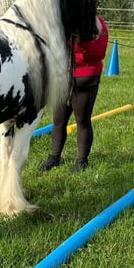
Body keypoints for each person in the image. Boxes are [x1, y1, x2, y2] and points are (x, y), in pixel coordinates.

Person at [41, 15, 109, 173]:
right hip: (62, 77)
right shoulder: (65, 21)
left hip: (86, 78)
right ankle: (54, 157)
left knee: (82, 121)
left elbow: (99, 53)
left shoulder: (97, 23)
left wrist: (80, 43)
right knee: (58, 121)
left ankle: (82, 161)